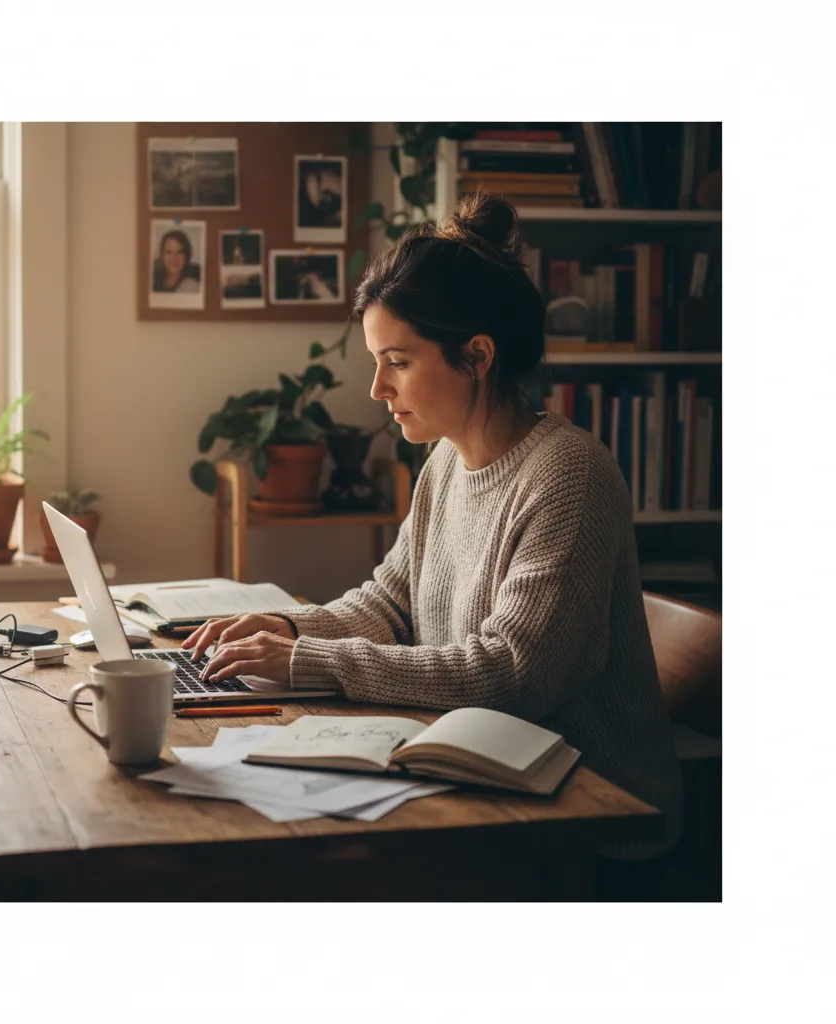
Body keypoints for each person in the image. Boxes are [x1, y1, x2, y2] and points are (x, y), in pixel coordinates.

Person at [183, 192, 684, 874]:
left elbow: (511, 674)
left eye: (398, 361)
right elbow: (390, 604)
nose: (376, 390)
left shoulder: (570, 476)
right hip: (480, 784)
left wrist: (307, 661)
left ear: (477, 356)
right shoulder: (446, 458)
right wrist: (286, 629)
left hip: (589, 821)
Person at [152, 229, 200, 294]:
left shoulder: (191, 286)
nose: (174, 258)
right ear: (162, 255)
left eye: (180, 252)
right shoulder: (153, 279)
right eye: (169, 252)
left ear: (187, 255)